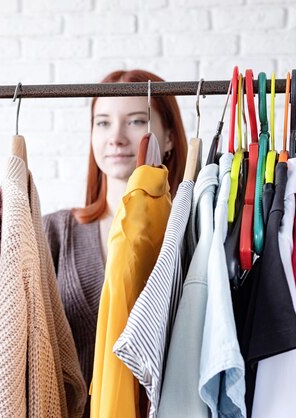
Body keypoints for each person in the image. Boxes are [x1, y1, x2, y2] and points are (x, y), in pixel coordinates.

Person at [43, 69, 188, 414]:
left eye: (136, 121)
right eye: (103, 122)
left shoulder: (186, 235)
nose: (116, 138)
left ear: (168, 137)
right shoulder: (54, 233)